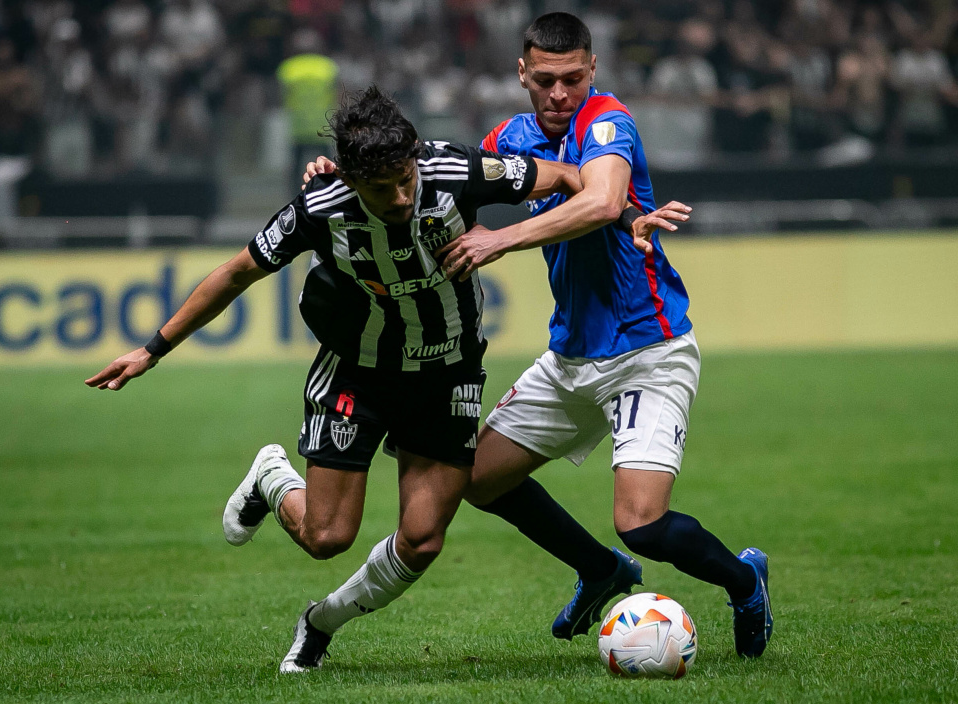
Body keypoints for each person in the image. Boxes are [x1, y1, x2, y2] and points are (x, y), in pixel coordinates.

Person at [85, 86, 610, 673]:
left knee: (422, 540)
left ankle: (319, 624)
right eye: (382, 189)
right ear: (352, 180)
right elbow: (235, 274)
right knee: (326, 537)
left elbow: (569, 177)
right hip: (357, 373)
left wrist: (623, 219)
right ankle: (271, 477)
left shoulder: (459, 169)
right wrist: (153, 349)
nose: (402, 196)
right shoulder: (319, 207)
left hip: (448, 372)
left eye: (407, 177)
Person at [443, 12, 773, 658]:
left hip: (648, 351)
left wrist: (499, 239)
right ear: (522, 75)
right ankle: (601, 571)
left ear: (592, 71)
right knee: (478, 479)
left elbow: (599, 202)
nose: (559, 94)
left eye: (572, 79)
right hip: (569, 359)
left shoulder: (608, 123)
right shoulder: (509, 138)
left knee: (640, 523)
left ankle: (745, 580)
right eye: (545, 81)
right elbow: (448, 186)